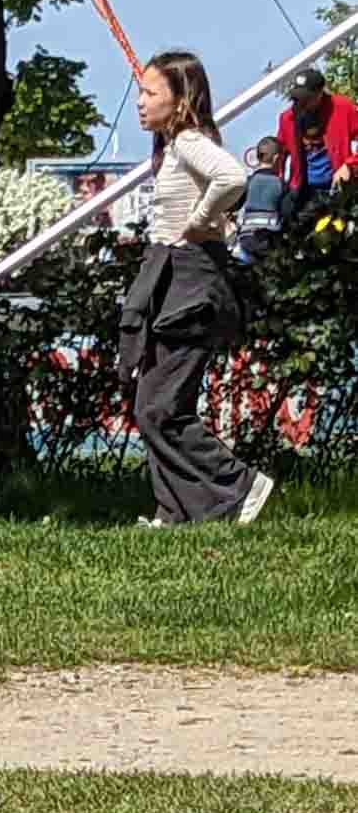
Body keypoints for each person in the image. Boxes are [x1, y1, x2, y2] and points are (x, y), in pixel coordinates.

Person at [120, 48, 273, 528]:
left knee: (160, 406)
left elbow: (231, 176)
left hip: (190, 285)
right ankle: (175, 511)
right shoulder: (171, 147)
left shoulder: (188, 141)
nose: (140, 102)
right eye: (140, 92)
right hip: (168, 282)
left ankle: (241, 485)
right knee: (153, 406)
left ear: (181, 99)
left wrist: (200, 221)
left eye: (150, 93)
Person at [274, 66, 358, 214]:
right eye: (297, 98)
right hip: (305, 193)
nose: (301, 102)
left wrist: (349, 165)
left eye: (306, 98)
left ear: (319, 93)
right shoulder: (287, 118)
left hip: (341, 187)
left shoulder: (342, 107)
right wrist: (278, 182)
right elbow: (279, 154)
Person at [234, 135, 288, 262]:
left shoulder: (248, 182)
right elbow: (286, 211)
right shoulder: (280, 184)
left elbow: (235, 205)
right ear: (277, 158)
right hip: (269, 240)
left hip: (246, 240)